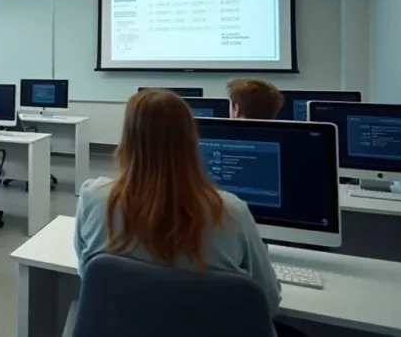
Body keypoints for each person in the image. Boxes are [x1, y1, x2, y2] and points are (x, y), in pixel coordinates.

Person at [75, 90, 282, 332]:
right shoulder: (231, 211)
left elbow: (88, 274)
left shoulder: (93, 197)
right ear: (191, 139)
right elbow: (267, 302)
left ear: (127, 139)